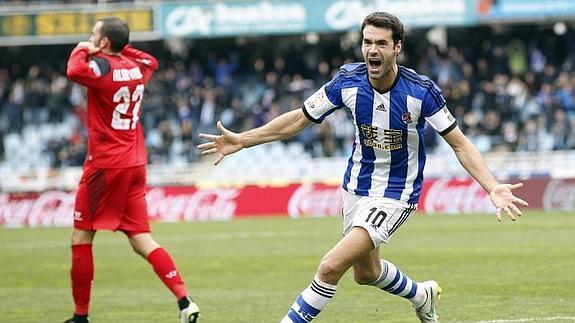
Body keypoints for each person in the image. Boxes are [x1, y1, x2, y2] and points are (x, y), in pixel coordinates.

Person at [198, 11, 528, 323]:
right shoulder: (347, 82)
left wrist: (491, 185)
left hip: (396, 194)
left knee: (329, 267)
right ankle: (421, 294)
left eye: (381, 43)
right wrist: (243, 139)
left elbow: (460, 142)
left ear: (397, 48)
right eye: (367, 42)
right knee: (366, 273)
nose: (372, 49)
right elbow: (299, 119)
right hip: (356, 188)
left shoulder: (420, 91)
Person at [64, 17, 200, 323]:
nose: (88, 39)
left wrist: (81, 48)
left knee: (81, 236)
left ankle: (80, 316)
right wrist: (118, 51)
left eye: (93, 35)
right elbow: (149, 58)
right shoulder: (138, 67)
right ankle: (184, 301)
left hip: (105, 164)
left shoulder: (100, 68)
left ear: (102, 43)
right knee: (141, 237)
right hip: (135, 162)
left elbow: (74, 70)